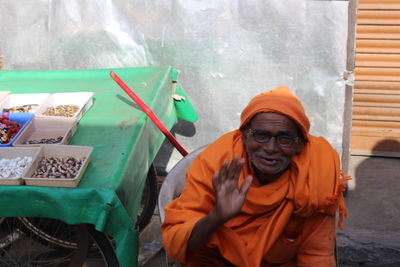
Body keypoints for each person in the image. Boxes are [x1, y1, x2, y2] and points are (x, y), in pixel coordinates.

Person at [161, 87, 350, 267]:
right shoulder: (216, 163)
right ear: (244, 137)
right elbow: (175, 240)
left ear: (300, 144)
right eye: (261, 136)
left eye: (285, 139)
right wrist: (217, 216)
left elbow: (316, 254)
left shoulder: (315, 173)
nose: (270, 148)